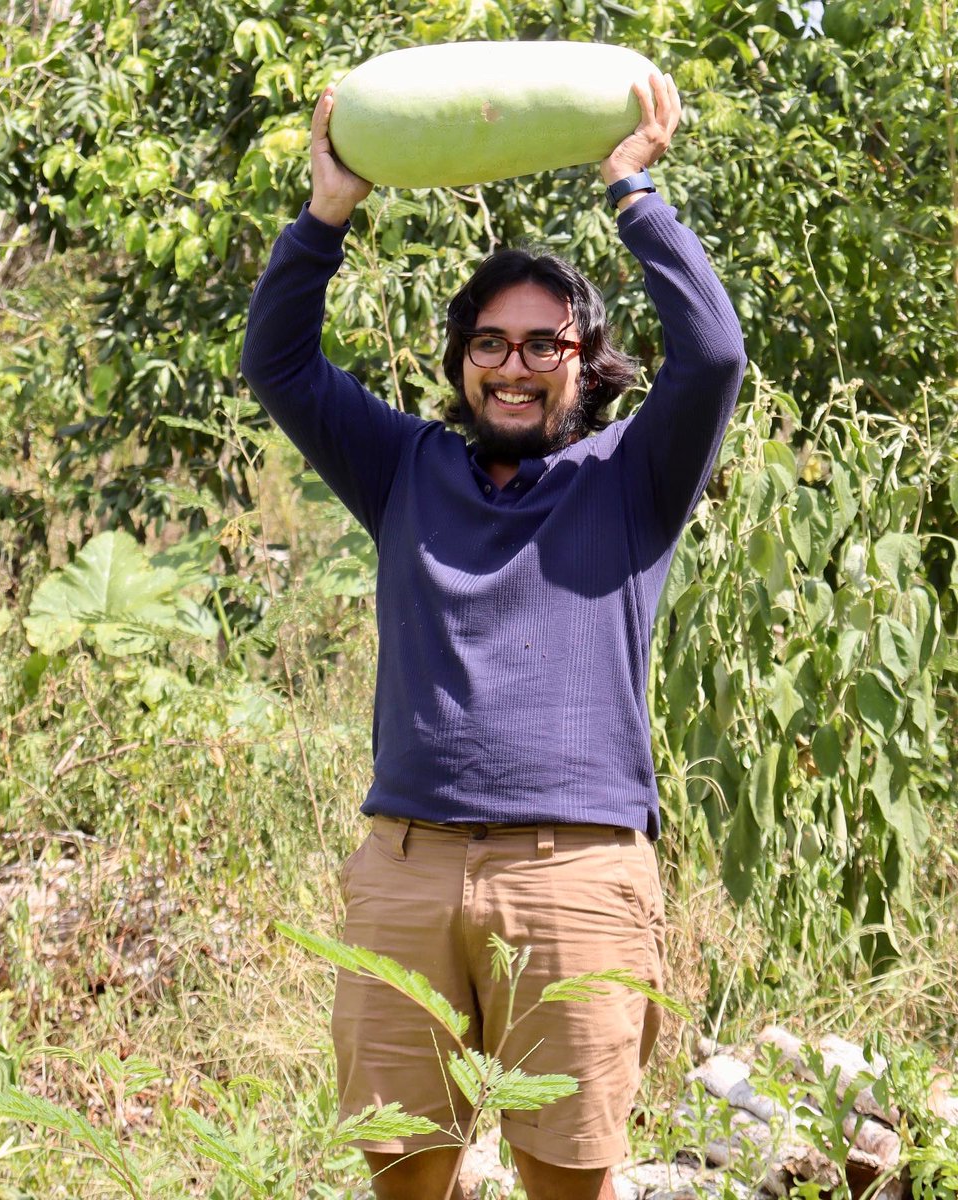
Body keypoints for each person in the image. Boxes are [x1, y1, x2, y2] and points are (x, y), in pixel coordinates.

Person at [242, 70, 746, 1200]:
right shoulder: (406, 468)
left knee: (566, 1174)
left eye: (541, 345)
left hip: (573, 871)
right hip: (405, 868)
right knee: (404, 1170)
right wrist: (325, 214)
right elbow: (276, 364)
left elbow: (713, 355)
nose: (512, 365)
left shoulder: (632, 478)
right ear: (462, 356)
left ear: (585, 362)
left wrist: (635, 190)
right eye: (490, 341)